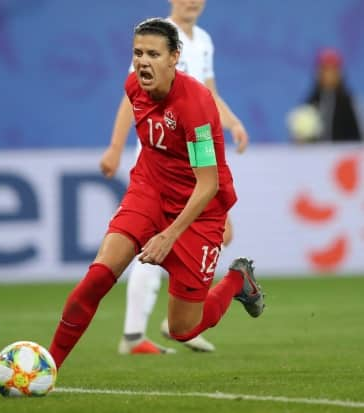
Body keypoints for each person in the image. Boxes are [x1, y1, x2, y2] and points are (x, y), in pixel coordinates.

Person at [48, 18, 264, 370]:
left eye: (152, 53)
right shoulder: (134, 85)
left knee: (183, 328)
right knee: (98, 277)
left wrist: (170, 234)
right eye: (137, 53)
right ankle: (49, 366)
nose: (142, 61)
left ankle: (238, 280)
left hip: (199, 208)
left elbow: (207, 183)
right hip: (148, 192)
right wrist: (116, 148)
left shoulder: (195, 105)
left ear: (174, 57)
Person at [100, 0, 250, 355]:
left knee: (212, 238)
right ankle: (136, 335)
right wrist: (115, 147)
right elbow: (131, 95)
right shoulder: (157, 38)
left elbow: (209, 94)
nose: (193, 2)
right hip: (160, 162)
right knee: (154, 244)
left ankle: (179, 320)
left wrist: (233, 122)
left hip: (194, 158)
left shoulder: (204, 41)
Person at [305, 48, 361, 142]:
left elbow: (357, 134)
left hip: (343, 154)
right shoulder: (311, 101)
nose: (329, 74)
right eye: (325, 69)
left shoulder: (349, 101)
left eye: (333, 69)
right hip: (315, 155)